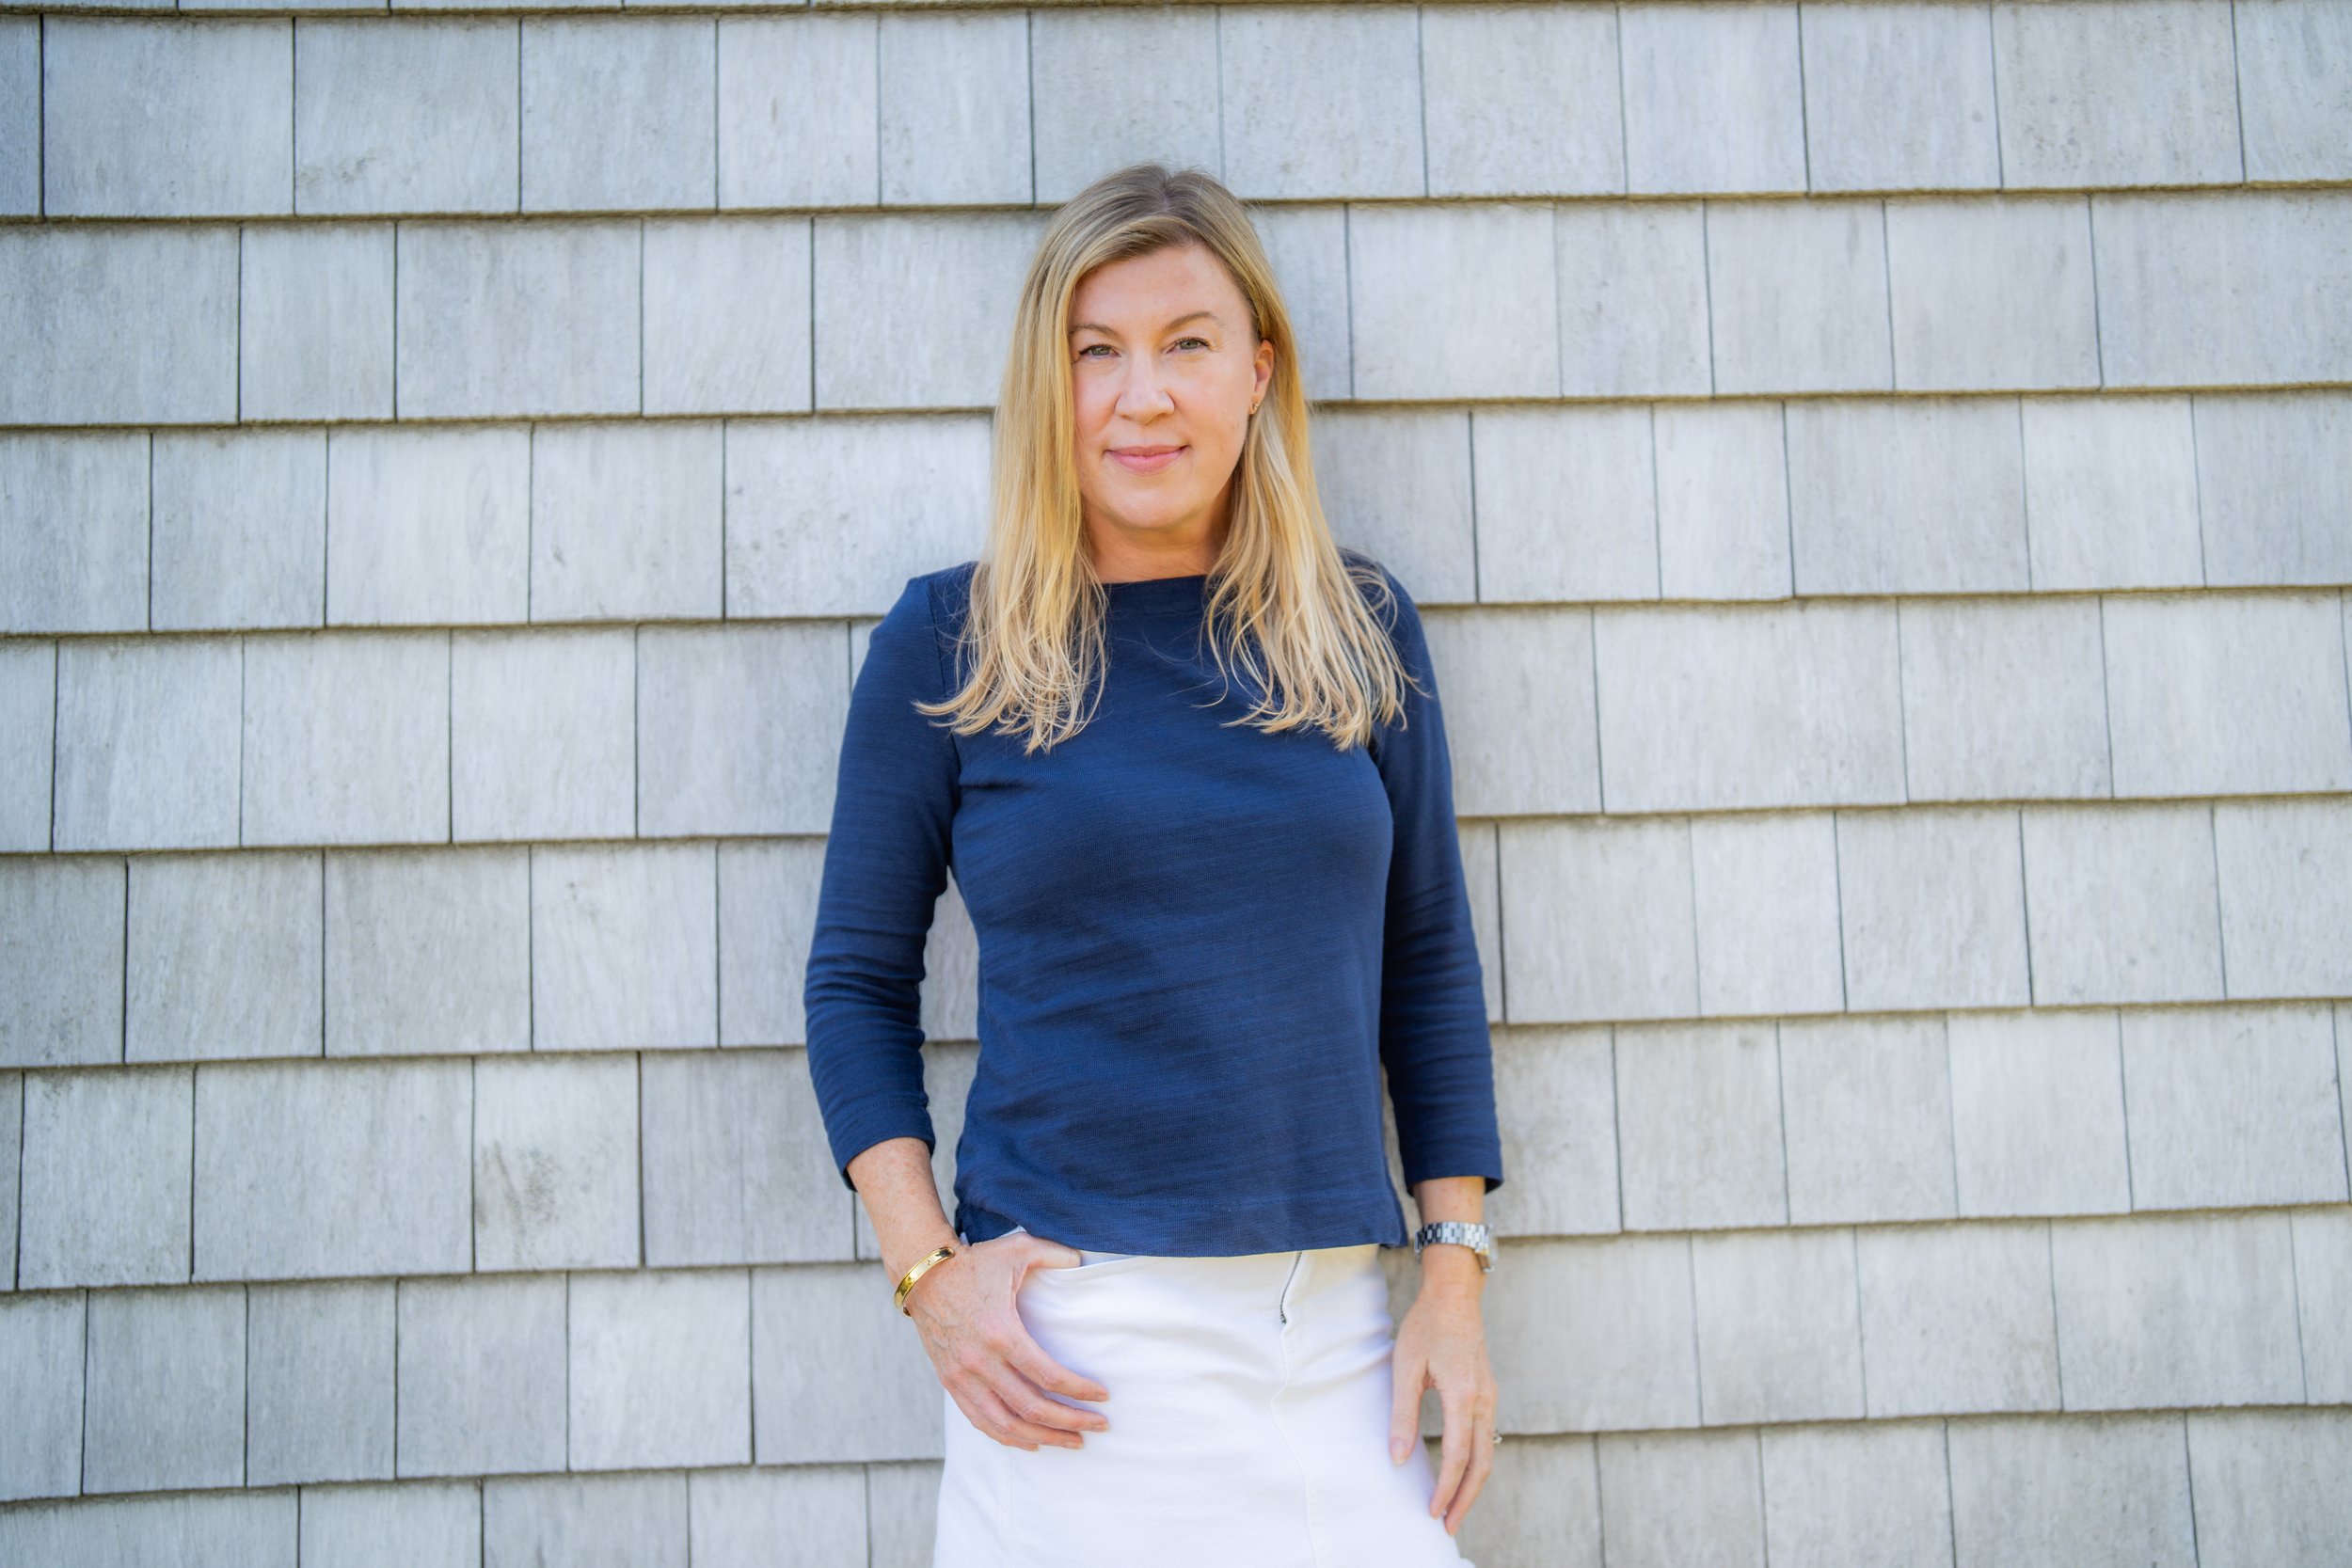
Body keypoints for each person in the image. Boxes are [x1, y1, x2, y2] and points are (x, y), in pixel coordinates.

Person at [803, 162, 1505, 1567]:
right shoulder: (951, 643)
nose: (1143, 398)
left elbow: (1425, 961)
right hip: (1080, 1351)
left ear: (1257, 372)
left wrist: (1453, 1280)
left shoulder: (1359, 628)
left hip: (1339, 1341)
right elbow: (857, 983)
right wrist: (928, 1271)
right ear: (1046, 384)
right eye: (1096, 352)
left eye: (1187, 344)